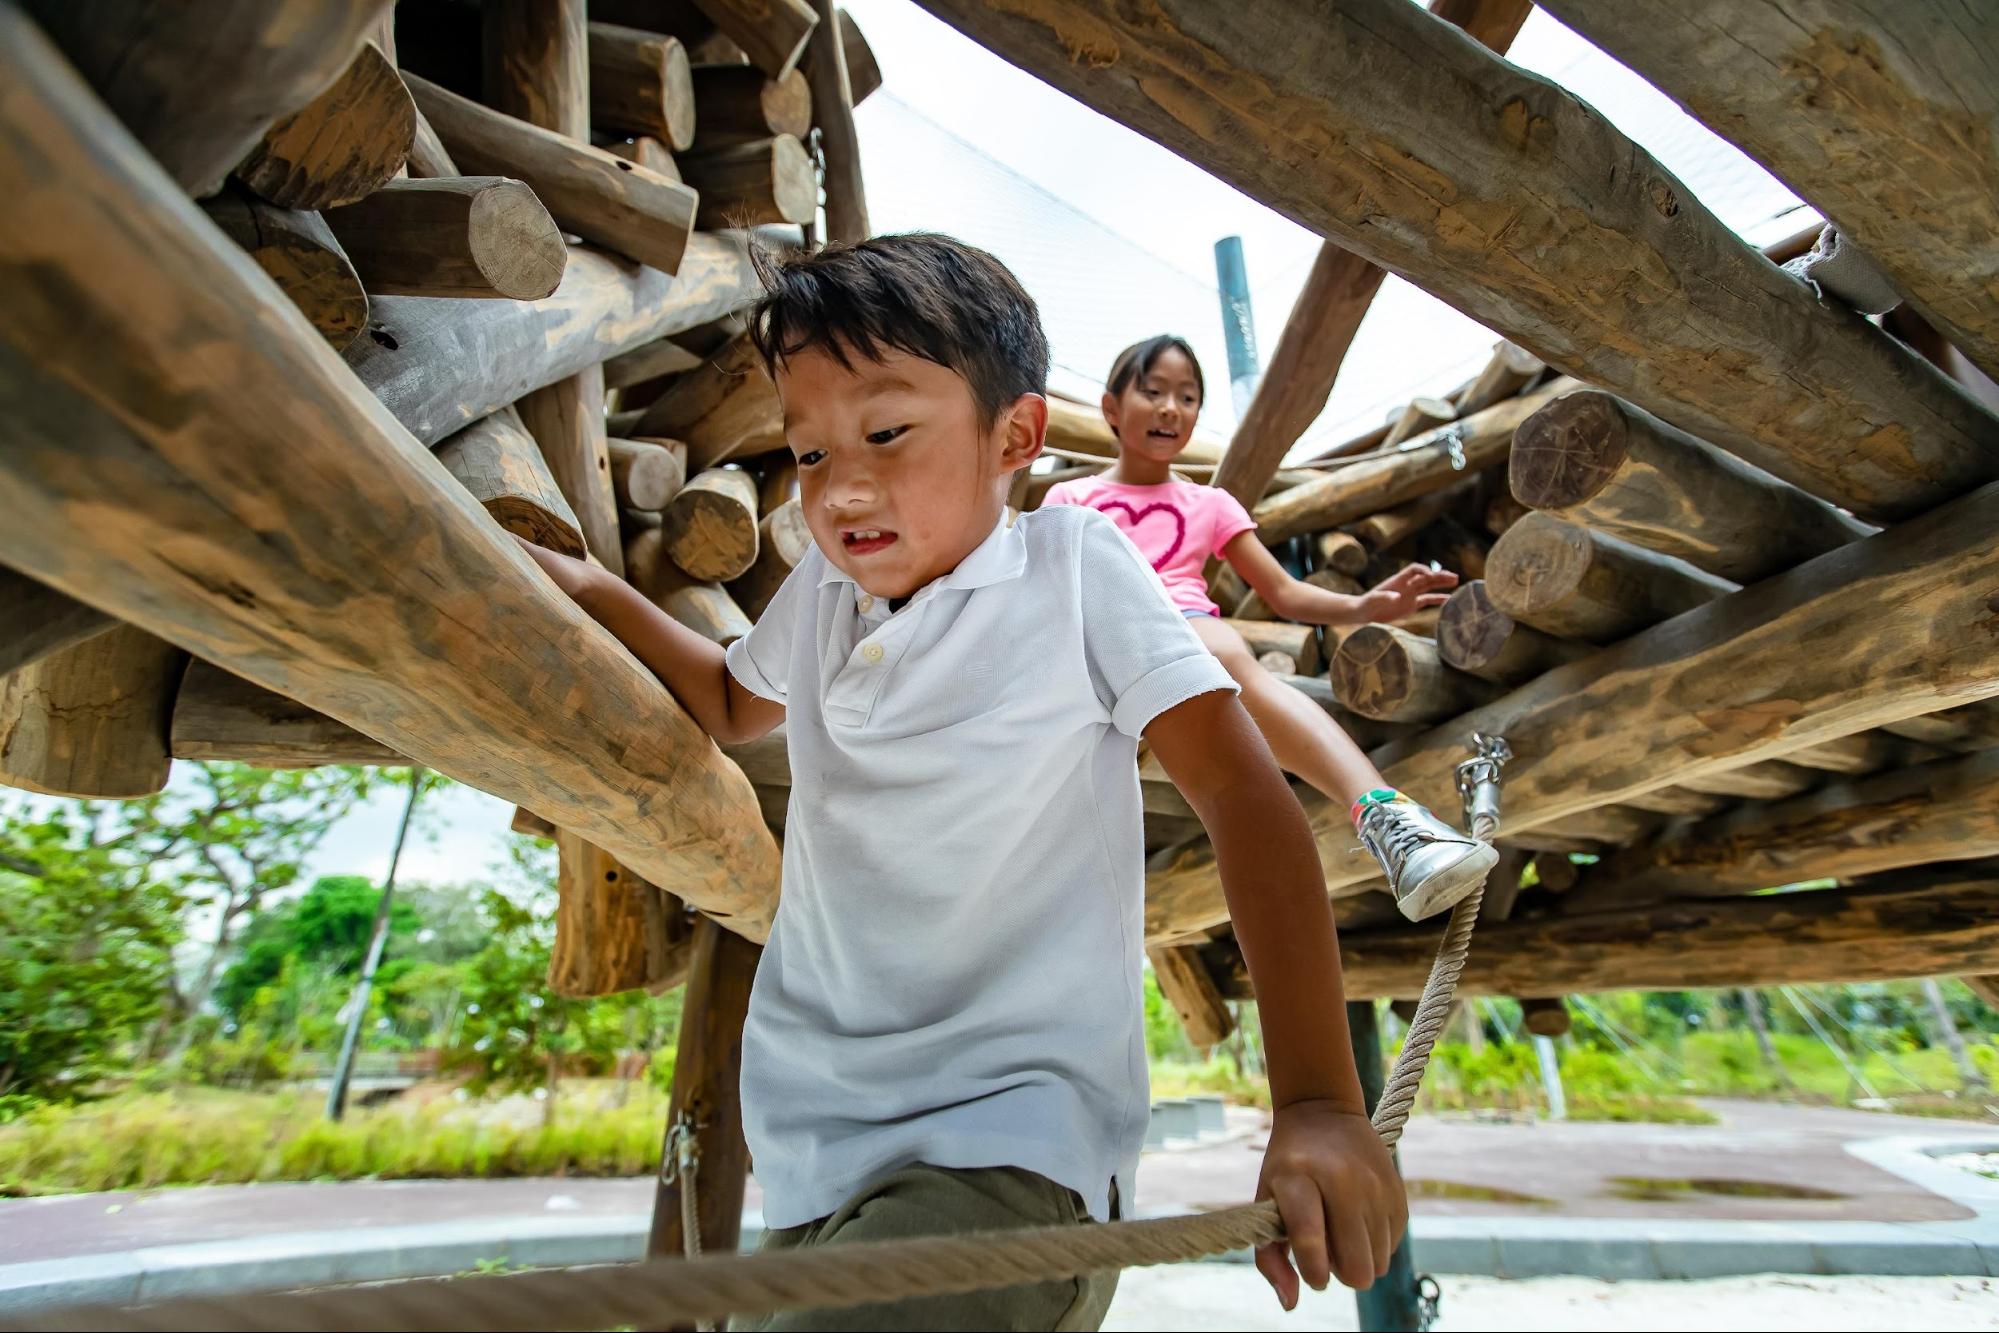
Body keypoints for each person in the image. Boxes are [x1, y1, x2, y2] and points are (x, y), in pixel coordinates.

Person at [516, 234, 1405, 1331]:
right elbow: (728, 700)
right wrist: (587, 583)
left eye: (887, 433)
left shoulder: (1073, 570)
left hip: (1010, 1150)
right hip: (810, 1156)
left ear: (1014, 437)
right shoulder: (823, 598)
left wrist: (1317, 1100)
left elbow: (1241, 794)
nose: (840, 487)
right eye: (805, 454)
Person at [1043, 335, 1496, 921]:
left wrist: (1368, 608)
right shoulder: (1071, 498)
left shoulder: (1210, 503)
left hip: (1185, 632)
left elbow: (1281, 591)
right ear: (1110, 408)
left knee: (1222, 654)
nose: (1170, 408)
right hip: (1094, 639)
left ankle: (1390, 819)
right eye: (1152, 392)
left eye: (1187, 396)